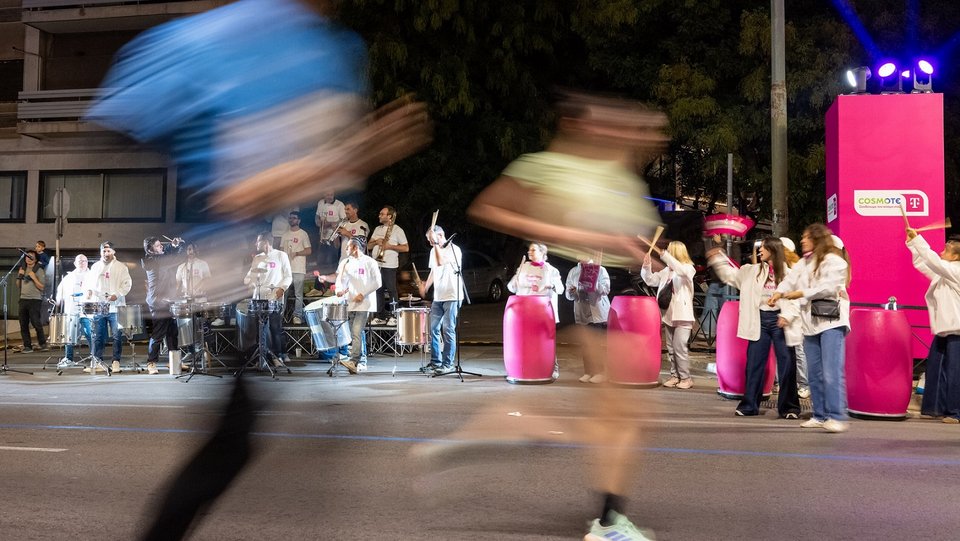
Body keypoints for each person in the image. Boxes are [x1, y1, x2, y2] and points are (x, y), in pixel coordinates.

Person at [450, 91, 666, 540]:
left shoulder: (627, 183)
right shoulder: (545, 166)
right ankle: (607, 521)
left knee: (624, 415)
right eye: (619, 125)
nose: (638, 136)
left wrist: (637, 248)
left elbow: (629, 240)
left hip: (617, 290)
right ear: (581, 127)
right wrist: (571, 232)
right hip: (574, 285)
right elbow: (486, 208)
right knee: (621, 413)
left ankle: (514, 431)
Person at [769, 223, 851, 433]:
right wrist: (779, 292)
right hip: (811, 324)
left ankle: (837, 415)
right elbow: (790, 280)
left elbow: (828, 287)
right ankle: (820, 414)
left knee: (831, 371)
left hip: (832, 322)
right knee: (814, 372)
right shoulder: (804, 262)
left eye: (806, 237)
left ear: (816, 239)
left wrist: (801, 293)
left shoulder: (834, 261)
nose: (802, 240)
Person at [709, 237, 801, 418]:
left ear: (773, 250)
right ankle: (749, 405)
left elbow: (798, 299)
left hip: (781, 322)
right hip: (759, 321)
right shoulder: (750, 271)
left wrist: (787, 316)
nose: (759, 251)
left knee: (787, 365)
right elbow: (730, 275)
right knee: (754, 364)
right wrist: (717, 259)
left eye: (763, 248)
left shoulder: (790, 274)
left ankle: (789, 407)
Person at [906, 229, 960, 423]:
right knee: (935, 369)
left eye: (945, 250)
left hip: (957, 332)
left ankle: (955, 412)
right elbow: (923, 263)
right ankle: (935, 408)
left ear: (955, 257)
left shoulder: (956, 270)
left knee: (955, 373)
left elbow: (934, 261)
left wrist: (917, 239)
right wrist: (912, 243)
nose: (941, 252)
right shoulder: (945, 273)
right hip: (945, 331)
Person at [642, 240, 696, 389]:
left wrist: (664, 255)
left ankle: (686, 378)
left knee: (680, 348)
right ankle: (675, 376)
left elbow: (681, 270)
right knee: (671, 349)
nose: (666, 252)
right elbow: (650, 280)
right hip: (668, 314)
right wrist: (646, 266)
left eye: (669, 250)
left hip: (683, 316)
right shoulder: (667, 271)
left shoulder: (688, 268)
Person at [417, 225, 463, 375]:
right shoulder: (433, 250)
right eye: (429, 241)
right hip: (439, 296)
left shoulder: (454, 250)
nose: (430, 243)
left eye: (431, 240)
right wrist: (426, 286)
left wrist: (436, 243)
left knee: (447, 329)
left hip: (452, 295)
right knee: (433, 329)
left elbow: (440, 261)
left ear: (441, 235)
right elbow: (434, 270)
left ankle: (447, 364)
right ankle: (436, 361)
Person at [243, 231, 293, 367]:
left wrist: (281, 289)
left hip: (274, 295)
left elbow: (288, 276)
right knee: (261, 329)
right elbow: (250, 276)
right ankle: (262, 357)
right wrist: (249, 281)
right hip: (259, 297)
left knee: (275, 328)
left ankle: (278, 356)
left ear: (265, 242)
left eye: (257, 241)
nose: (255, 244)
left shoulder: (281, 255)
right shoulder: (257, 258)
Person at [83, 241, 132, 373]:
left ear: (113, 252)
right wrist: (88, 290)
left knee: (117, 335)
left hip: (115, 306)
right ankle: (97, 361)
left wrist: (118, 294)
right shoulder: (95, 267)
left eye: (108, 251)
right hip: (100, 305)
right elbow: (88, 283)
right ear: (100, 252)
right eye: (103, 251)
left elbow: (127, 284)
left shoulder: (121, 267)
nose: (106, 253)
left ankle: (116, 361)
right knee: (98, 335)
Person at [334, 237, 381, 374]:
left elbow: (378, 282)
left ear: (355, 248)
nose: (346, 249)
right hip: (350, 303)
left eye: (348, 247)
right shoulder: (345, 262)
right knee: (355, 334)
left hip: (364, 303)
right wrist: (338, 290)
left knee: (356, 332)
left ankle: (354, 361)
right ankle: (360, 361)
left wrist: (363, 293)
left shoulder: (369, 262)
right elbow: (340, 280)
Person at [143, 236, 186, 375]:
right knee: (158, 333)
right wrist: (172, 247)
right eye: (158, 245)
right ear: (150, 249)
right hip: (157, 301)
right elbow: (169, 258)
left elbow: (173, 257)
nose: (161, 246)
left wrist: (174, 246)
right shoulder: (149, 261)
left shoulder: (162, 259)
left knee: (172, 332)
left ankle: (173, 361)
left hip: (169, 300)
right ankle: (151, 362)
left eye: (161, 245)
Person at [565, 257, 611, 383]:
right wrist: (572, 292)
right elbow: (568, 295)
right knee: (586, 344)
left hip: (597, 312)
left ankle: (601, 372)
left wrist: (593, 283)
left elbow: (606, 289)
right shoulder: (574, 271)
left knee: (597, 344)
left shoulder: (600, 270)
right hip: (582, 312)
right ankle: (588, 371)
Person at [780, 236, 810, 399]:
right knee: (787, 352)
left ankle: (804, 384)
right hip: (783, 315)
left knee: (799, 352)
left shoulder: (796, 270)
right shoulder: (781, 269)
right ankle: (784, 383)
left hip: (796, 317)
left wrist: (789, 315)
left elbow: (799, 296)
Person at [368, 205, 408, 325]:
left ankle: (394, 315)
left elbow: (406, 247)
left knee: (391, 290)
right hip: (376, 264)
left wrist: (390, 246)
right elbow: (369, 246)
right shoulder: (377, 229)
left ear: (389, 216)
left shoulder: (397, 230)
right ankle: (381, 315)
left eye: (382, 214)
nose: (379, 216)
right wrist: (376, 241)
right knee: (378, 290)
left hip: (389, 264)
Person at [508, 242, 564, 324]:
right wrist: (516, 279)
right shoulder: (523, 267)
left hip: (542, 312)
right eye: (529, 250)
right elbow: (512, 287)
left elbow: (560, 289)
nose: (529, 252)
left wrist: (551, 286)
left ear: (542, 253)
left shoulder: (550, 270)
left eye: (533, 250)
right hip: (524, 311)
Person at [55, 254, 94, 367]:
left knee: (89, 332)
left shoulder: (92, 275)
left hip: (87, 307)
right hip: (72, 307)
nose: (82, 263)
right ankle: (68, 357)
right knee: (69, 333)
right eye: (79, 261)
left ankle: (94, 357)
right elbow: (60, 290)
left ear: (87, 262)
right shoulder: (69, 276)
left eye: (84, 261)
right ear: (75, 263)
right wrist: (58, 300)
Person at [280, 211, 312, 324]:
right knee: (283, 293)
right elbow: (281, 251)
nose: (291, 220)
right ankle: (280, 315)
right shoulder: (285, 235)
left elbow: (309, 250)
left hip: (298, 268)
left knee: (298, 294)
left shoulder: (303, 234)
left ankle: (297, 315)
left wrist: (297, 253)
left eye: (294, 218)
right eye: (290, 218)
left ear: (299, 220)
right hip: (286, 270)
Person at [17, 250, 48, 353]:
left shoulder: (39, 270)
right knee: (23, 324)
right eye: (26, 256)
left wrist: (34, 278)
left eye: (30, 256)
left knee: (36, 322)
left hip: (35, 299)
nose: (28, 258)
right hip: (23, 299)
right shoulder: (23, 268)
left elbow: (42, 287)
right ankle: (27, 346)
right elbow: (18, 285)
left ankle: (42, 343)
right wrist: (19, 275)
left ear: (35, 259)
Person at [315, 190, 346, 273]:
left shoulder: (339, 204)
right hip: (322, 237)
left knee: (331, 261)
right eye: (327, 194)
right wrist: (318, 223)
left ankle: (331, 283)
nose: (330, 196)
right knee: (320, 261)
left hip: (334, 238)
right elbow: (317, 217)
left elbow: (344, 221)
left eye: (331, 194)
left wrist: (329, 224)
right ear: (323, 194)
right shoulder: (320, 203)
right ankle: (320, 282)